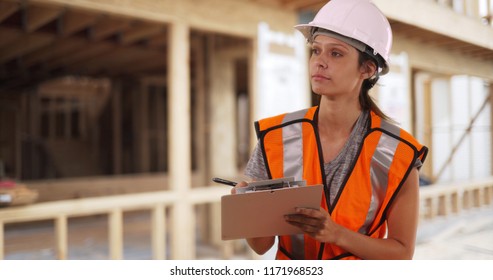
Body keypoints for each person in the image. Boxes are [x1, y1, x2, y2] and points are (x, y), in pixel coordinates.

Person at [234, 0, 428, 260]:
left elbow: (402, 254)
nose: (319, 62)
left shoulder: (398, 154)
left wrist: (336, 234)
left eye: (335, 53)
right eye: (316, 50)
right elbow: (260, 245)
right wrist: (247, 209)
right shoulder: (276, 138)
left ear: (367, 69)